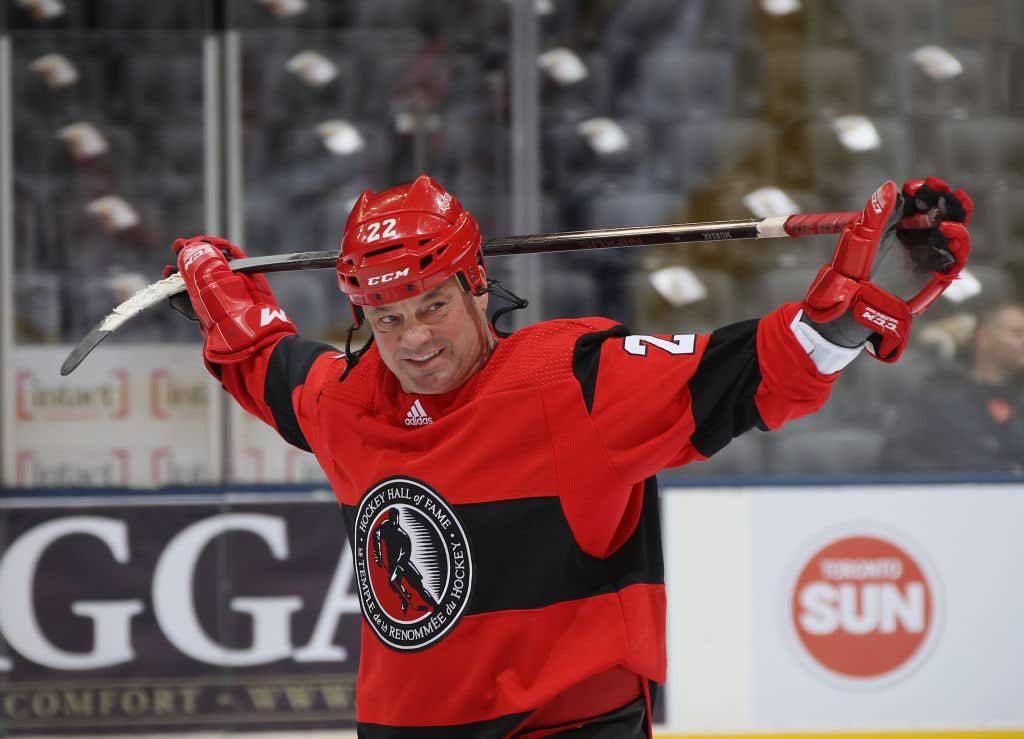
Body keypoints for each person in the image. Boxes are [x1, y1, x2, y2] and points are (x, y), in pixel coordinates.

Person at [168, 174, 970, 737]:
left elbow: (753, 372)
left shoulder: (576, 382)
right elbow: (263, 362)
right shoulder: (347, 401)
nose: (412, 339)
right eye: (385, 317)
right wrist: (215, 285)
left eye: (433, 305)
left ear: (476, 284)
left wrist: (858, 310)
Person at [880, 302, 1024, 474]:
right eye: (1017, 333)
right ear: (984, 338)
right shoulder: (937, 395)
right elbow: (896, 456)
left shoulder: (1018, 400)